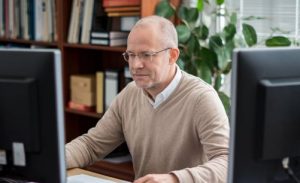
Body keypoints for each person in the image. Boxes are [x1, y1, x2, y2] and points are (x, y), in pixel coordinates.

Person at [65, 15, 229, 183]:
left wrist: (174, 179)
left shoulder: (202, 98)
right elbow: (91, 146)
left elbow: (227, 163)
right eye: (131, 55)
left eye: (146, 54)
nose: (135, 65)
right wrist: (54, 158)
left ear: (172, 55)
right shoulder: (130, 93)